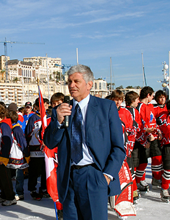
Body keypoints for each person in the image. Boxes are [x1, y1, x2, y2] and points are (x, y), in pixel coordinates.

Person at [44, 64, 126, 220]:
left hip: (94, 174)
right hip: (68, 176)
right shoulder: (61, 110)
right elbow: (49, 142)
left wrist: (106, 176)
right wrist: (58, 122)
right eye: (69, 81)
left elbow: (118, 147)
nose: (71, 85)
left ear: (89, 84)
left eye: (76, 81)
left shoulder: (106, 107)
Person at [0, 104, 18, 206]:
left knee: (5, 177)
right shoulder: (0, 124)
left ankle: (10, 197)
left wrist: (4, 156)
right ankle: (4, 194)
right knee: (0, 177)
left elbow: (7, 141)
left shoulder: (4, 125)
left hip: (3, 156)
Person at [25, 98, 50, 200]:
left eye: (46, 105)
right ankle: (32, 189)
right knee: (34, 171)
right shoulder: (33, 118)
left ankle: (44, 188)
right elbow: (28, 133)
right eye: (42, 105)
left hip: (46, 149)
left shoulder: (49, 117)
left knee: (45, 170)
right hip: (35, 148)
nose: (45, 107)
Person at [134, 86, 158, 192]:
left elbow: (151, 123)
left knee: (144, 161)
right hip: (139, 139)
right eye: (152, 95)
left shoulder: (149, 106)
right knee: (137, 162)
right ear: (148, 95)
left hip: (147, 139)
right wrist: (145, 138)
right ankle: (135, 183)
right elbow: (140, 124)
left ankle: (139, 181)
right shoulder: (139, 106)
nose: (152, 98)